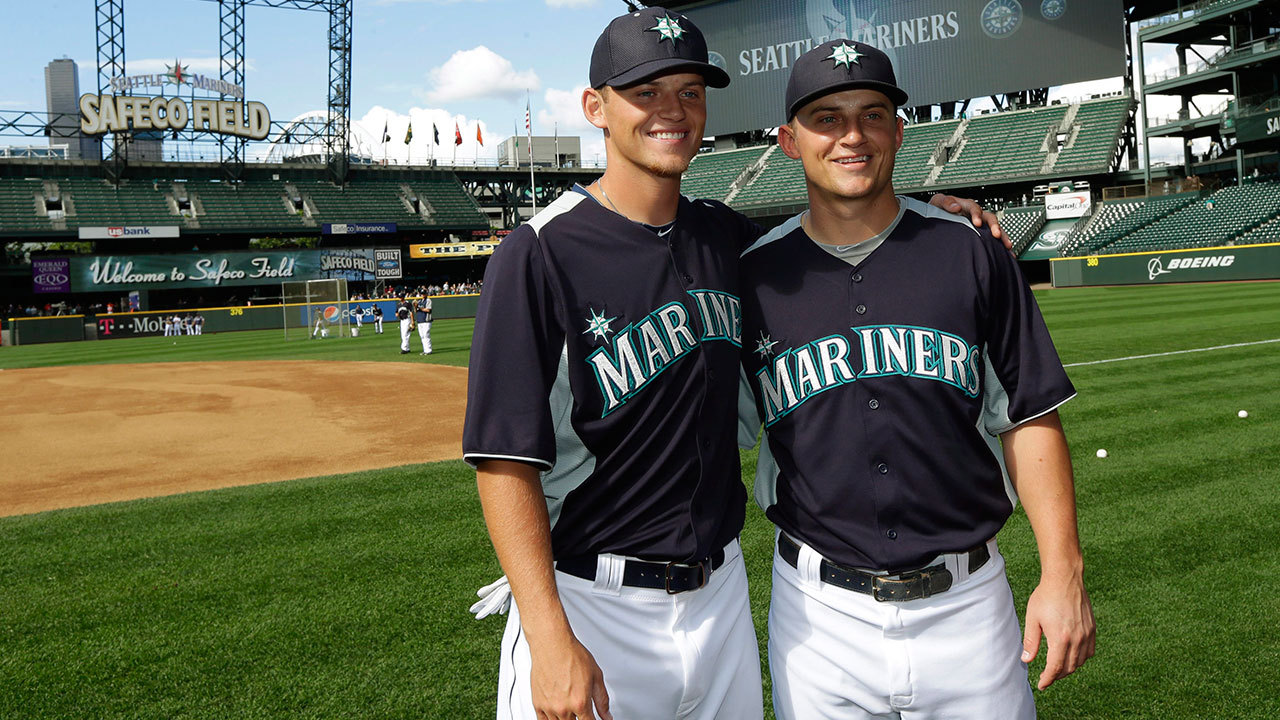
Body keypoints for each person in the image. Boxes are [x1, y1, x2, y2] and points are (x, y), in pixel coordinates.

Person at [465, 9, 1004, 720]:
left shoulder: (725, 238)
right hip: (589, 599)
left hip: (718, 602)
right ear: (595, 107)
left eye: (690, 92)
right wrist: (547, 631)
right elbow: (504, 460)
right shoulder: (537, 253)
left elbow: (832, 236)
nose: (672, 111)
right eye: (646, 92)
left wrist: (929, 215)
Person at [736, 41, 1095, 720]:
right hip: (818, 620)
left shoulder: (970, 252)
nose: (852, 135)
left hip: (970, 610)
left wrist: (1062, 572)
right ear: (789, 140)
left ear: (899, 132)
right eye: (827, 117)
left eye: (873, 114)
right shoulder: (751, 276)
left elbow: (1028, 415)